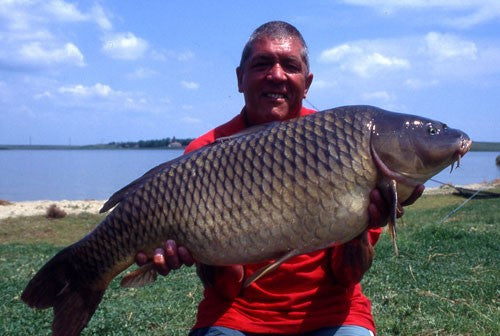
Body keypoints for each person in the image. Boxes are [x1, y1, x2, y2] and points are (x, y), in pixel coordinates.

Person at [136, 21, 424, 336]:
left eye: (290, 66)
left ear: (307, 82)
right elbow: (228, 289)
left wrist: (361, 226)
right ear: (239, 78)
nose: (276, 74)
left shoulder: (347, 143)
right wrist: (201, 249)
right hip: (235, 315)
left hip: (331, 312)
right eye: (262, 64)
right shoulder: (204, 155)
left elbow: (347, 276)